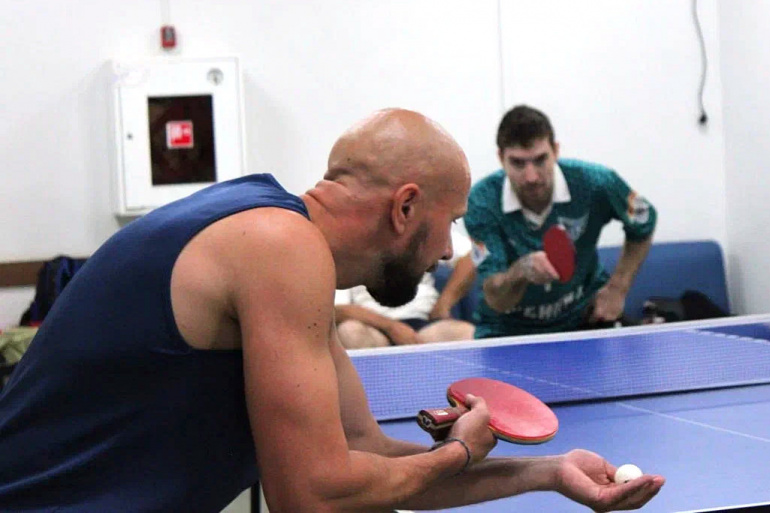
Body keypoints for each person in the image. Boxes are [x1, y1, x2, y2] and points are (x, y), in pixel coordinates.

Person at [0, 108, 664, 512]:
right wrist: (458, 452)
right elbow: (312, 496)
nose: (446, 251)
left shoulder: (279, 239)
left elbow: (363, 459)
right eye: (450, 223)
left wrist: (546, 472)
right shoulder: (280, 246)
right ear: (405, 207)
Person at [464, 105, 657, 338]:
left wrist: (618, 288)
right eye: (518, 163)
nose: (531, 177)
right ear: (501, 158)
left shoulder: (595, 183)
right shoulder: (481, 202)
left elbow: (644, 220)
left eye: (540, 160)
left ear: (555, 151)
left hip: (585, 318)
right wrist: (520, 271)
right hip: (506, 330)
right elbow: (495, 298)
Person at [335, 227, 476, 348]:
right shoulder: (345, 243)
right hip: (372, 328)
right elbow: (337, 309)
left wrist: (444, 303)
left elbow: (471, 255)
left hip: (424, 324)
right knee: (349, 331)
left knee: (467, 333)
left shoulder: (424, 226)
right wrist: (391, 327)